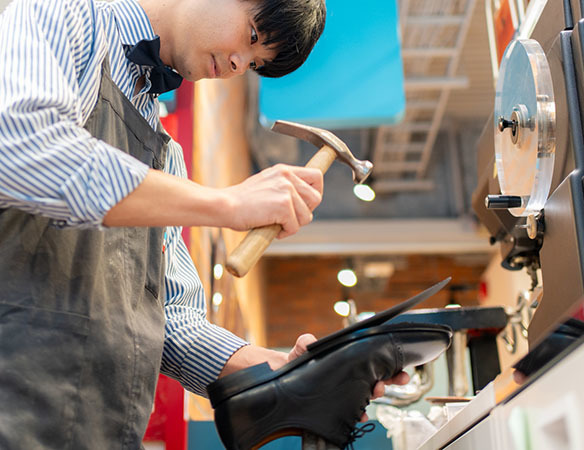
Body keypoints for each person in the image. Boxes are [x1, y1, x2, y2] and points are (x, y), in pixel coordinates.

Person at [0, 0, 408, 448]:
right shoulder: (66, 14)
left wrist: (290, 370)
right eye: (252, 35)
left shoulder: (166, 157)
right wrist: (226, 204)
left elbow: (172, 321)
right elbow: (22, 149)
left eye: (253, 64)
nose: (237, 64)